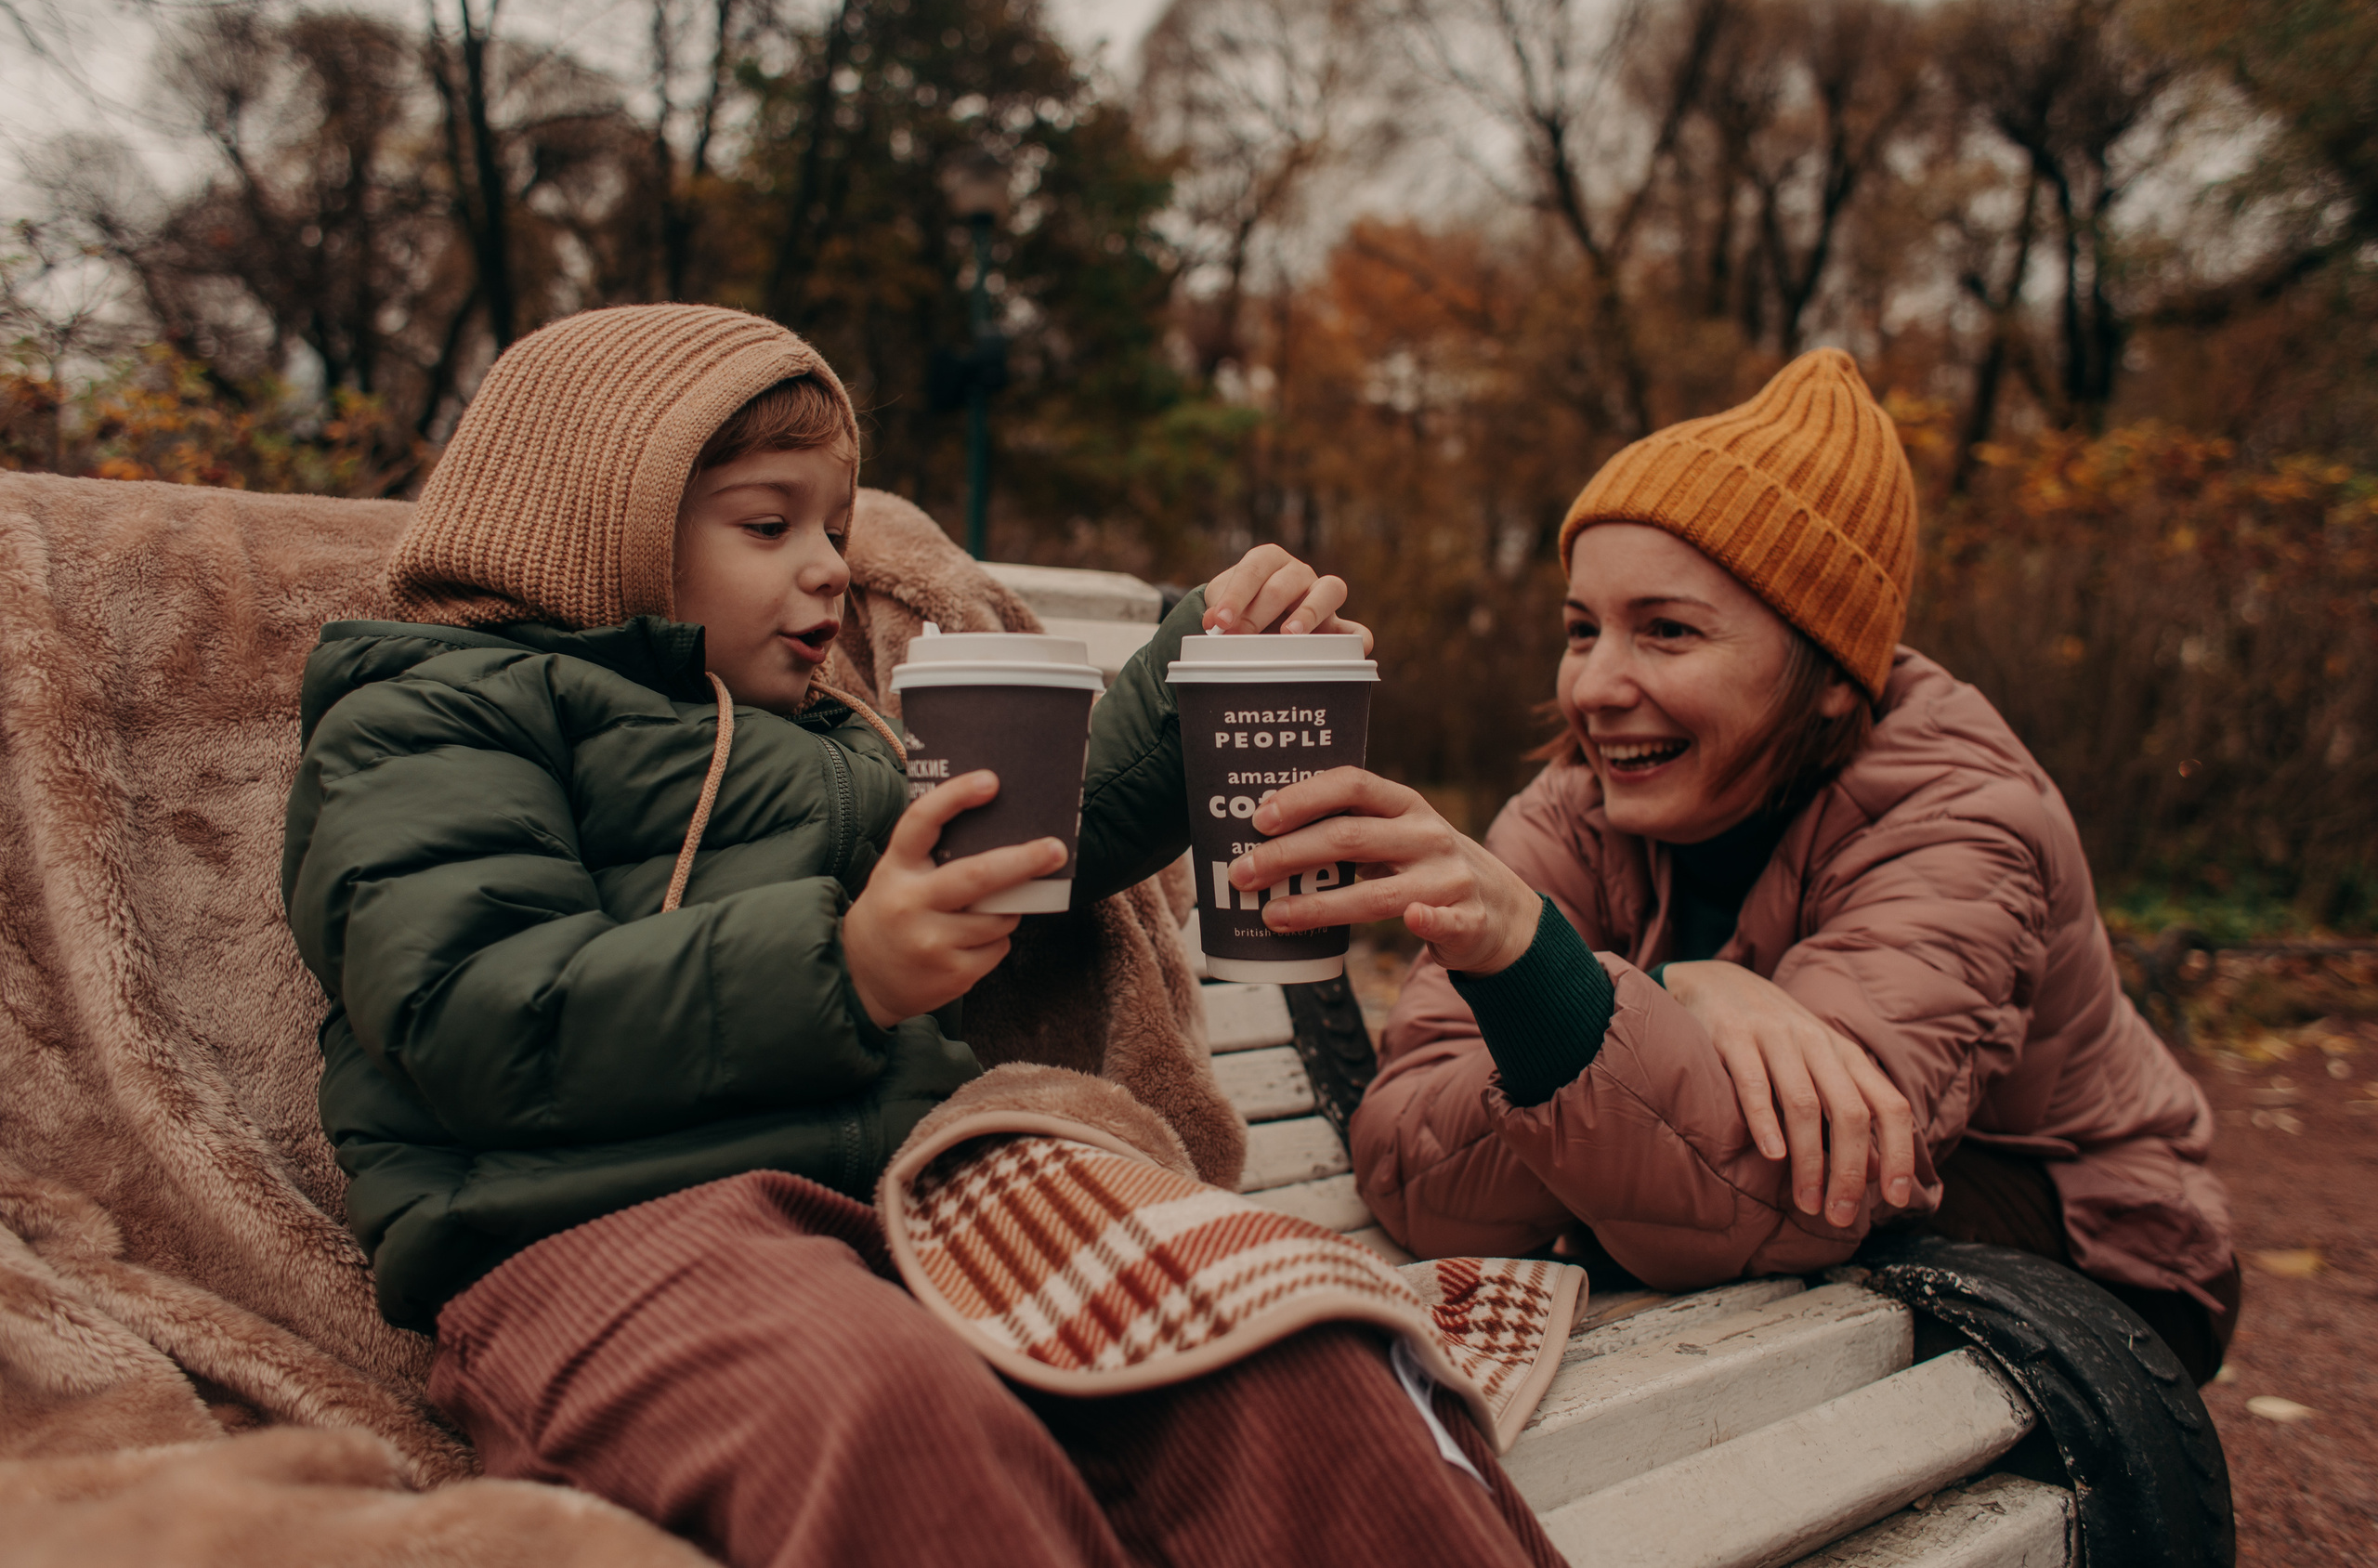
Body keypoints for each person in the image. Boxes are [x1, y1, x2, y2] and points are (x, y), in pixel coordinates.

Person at [281, 304, 1563, 1568]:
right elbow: (470, 1011)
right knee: (887, 1419)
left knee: (1271, 1335)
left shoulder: (825, 737)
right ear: (595, 522)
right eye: (769, 524)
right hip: (588, 1233)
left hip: (897, 1204)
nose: (831, 567)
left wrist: (1208, 655)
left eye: (835, 528)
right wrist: (843, 970)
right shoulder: (432, 717)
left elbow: (1037, 840)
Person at [1224, 348, 2240, 1385]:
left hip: (2088, 1251)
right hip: (1769, 1239)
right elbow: (1408, 1166)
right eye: (1582, 630)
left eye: (1667, 631)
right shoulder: (1573, 811)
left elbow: (1786, 1193)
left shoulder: (1964, 820)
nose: (1595, 687)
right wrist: (1673, 994)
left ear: (1832, 676)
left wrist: (1548, 984)